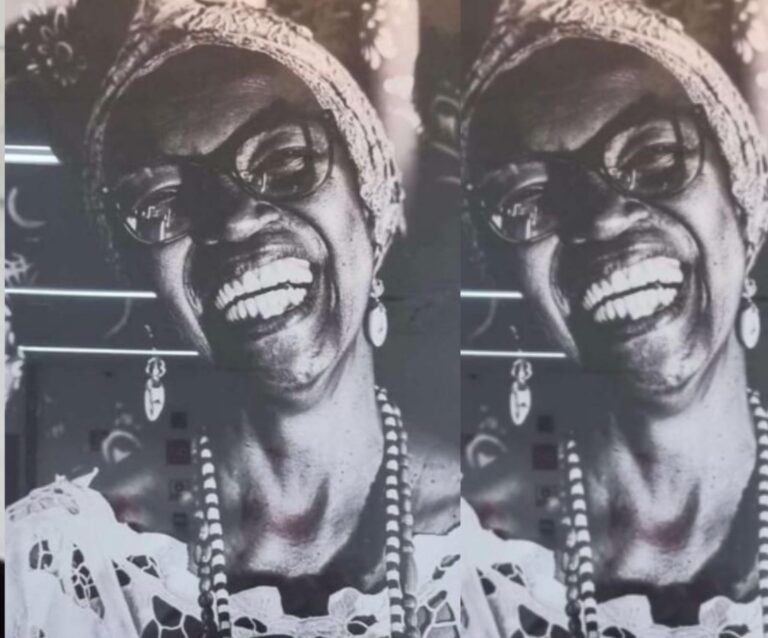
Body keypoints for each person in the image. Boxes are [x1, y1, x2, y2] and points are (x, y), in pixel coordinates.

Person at [5, 2, 459, 637]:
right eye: (165, 198)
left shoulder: (503, 562)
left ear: (371, 205)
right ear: (145, 282)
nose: (236, 219)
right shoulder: (51, 574)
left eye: (286, 160)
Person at [461, 0, 768, 635]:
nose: (602, 218)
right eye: (533, 195)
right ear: (508, 277)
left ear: (743, 206)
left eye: (654, 157)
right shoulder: (463, 569)